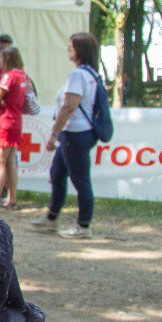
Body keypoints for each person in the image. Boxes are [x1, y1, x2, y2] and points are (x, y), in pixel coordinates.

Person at [30, 32, 103, 238]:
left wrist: (54, 134)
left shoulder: (77, 76)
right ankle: (51, 218)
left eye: (71, 46)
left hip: (74, 135)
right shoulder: (90, 74)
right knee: (57, 174)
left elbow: (69, 106)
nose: (68, 49)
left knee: (80, 181)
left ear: (80, 50)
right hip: (77, 134)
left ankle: (83, 225)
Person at [0, 45, 31, 211]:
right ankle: (12, 198)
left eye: (1, 59)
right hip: (16, 122)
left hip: (4, 123)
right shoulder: (23, 76)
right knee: (11, 161)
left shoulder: (8, 76)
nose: (0, 62)